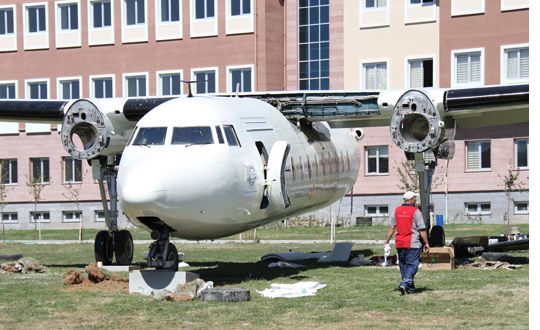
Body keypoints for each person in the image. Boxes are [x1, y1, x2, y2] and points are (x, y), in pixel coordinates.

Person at [384, 191, 430, 295]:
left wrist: (386, 241)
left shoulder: (396, 210)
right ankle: (405, 283)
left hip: (400, 242)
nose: (416, 200)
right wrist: (426, 243)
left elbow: (391, 227)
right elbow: (422, 229)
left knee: (404, 265)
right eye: (415, 198)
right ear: (412, 199)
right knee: (413, 264)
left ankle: (410, 287)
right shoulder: (415, 211)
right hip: (412, 243)